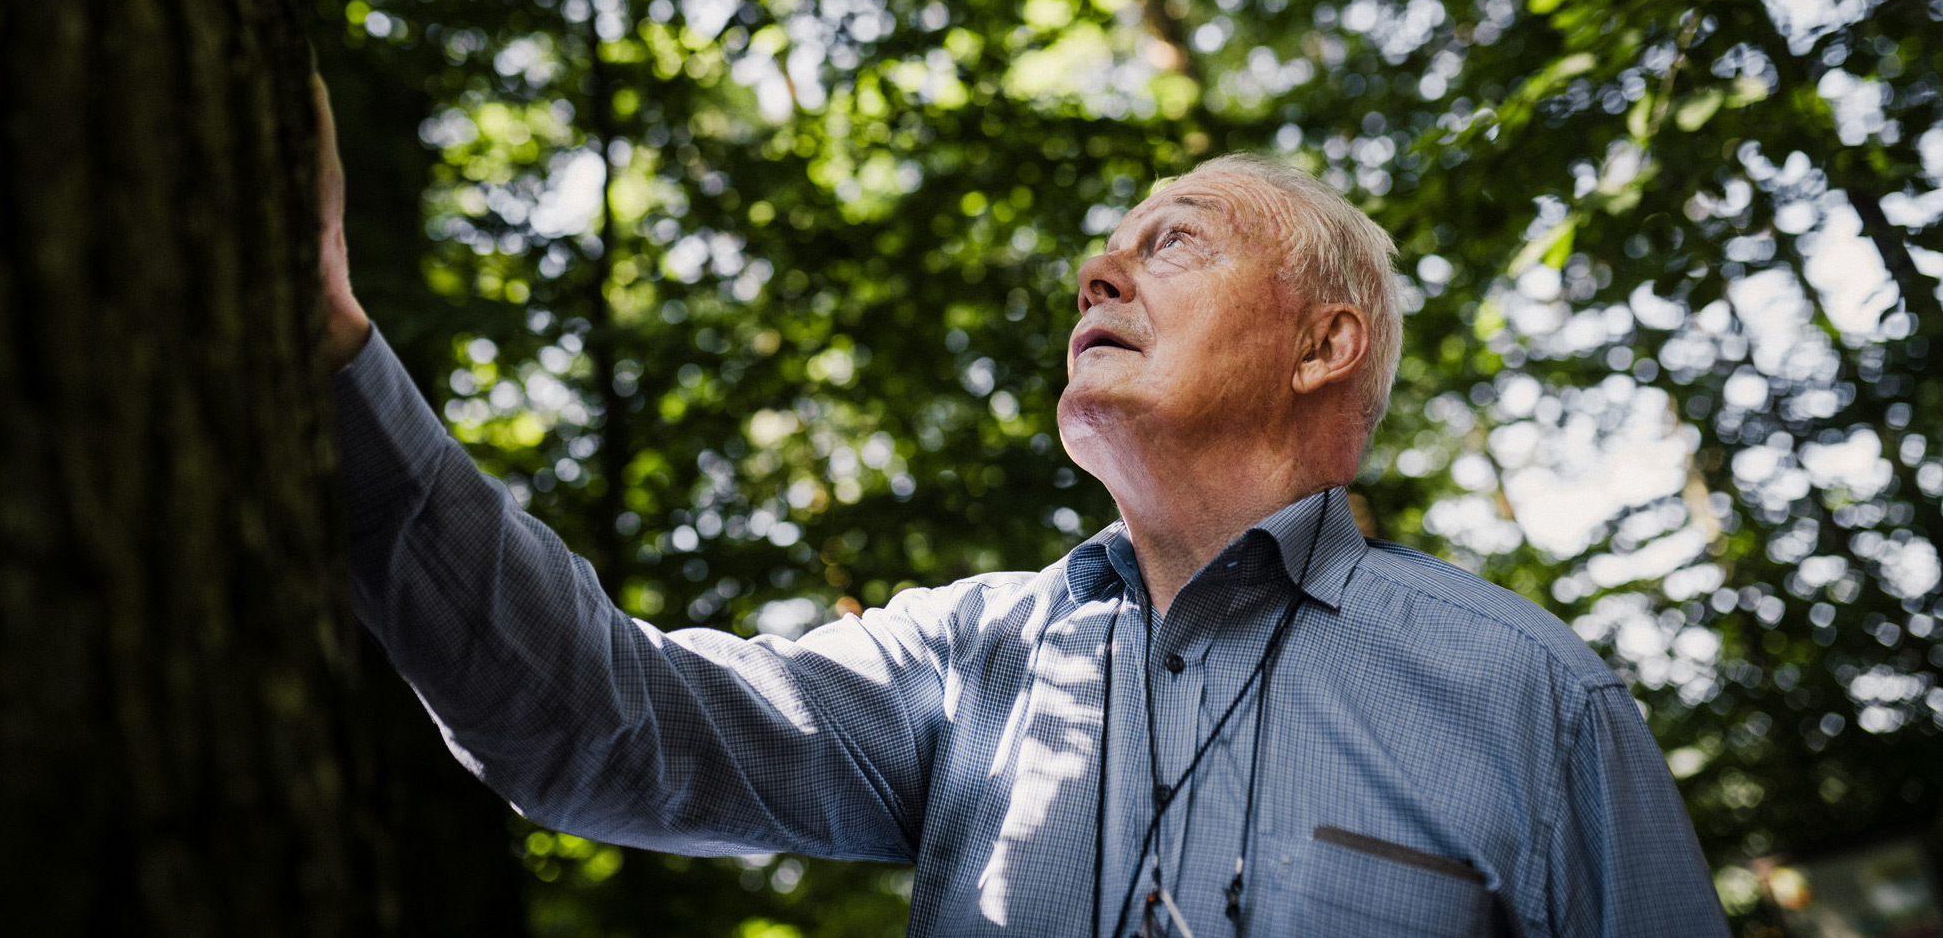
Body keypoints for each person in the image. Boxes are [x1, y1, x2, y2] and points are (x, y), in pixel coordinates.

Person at [315, 79, 1728, 937]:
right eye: (1103, 252)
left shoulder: (1531, 699)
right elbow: (600, 720)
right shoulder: (974, 661)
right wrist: (335, 363)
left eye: (1172, 239)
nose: (1097, 275)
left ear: (1322, 344)